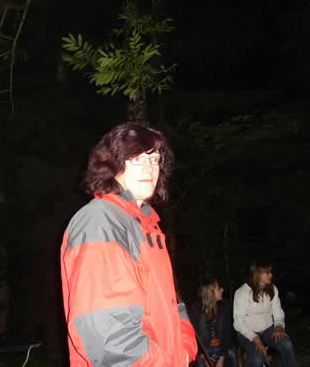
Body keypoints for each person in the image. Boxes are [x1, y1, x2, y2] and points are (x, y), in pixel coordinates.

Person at [60, 122, 197, 366]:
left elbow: (171, 303)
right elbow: (109, 337)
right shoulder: (100, 221)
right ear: (112, 165)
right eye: (136, 159)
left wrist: (185, 346)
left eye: (154, 160)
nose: (148, 168)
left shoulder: (148, 225)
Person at [233, 263, 297, 367]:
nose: (271, 275)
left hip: (268, 329)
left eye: (270, 272)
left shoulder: (273, 289)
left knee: (286, 344)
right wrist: (255, 338)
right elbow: (238, 322)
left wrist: (279, 326)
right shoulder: (242, 292)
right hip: (247, 332)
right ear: (257, 274)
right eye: (267, 272)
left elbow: (278, 312)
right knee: (257, 357)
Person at [189, 278, 237, 367]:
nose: (222, 290)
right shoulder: (196, 309)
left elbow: (227, 334)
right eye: (219, 288)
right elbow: (193, 335)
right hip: (203, 351)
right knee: (200, 363)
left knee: (232, 357)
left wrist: (221, 358)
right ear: (210, 293)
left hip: (221, 348)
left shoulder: (224, 307)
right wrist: (203, 356)